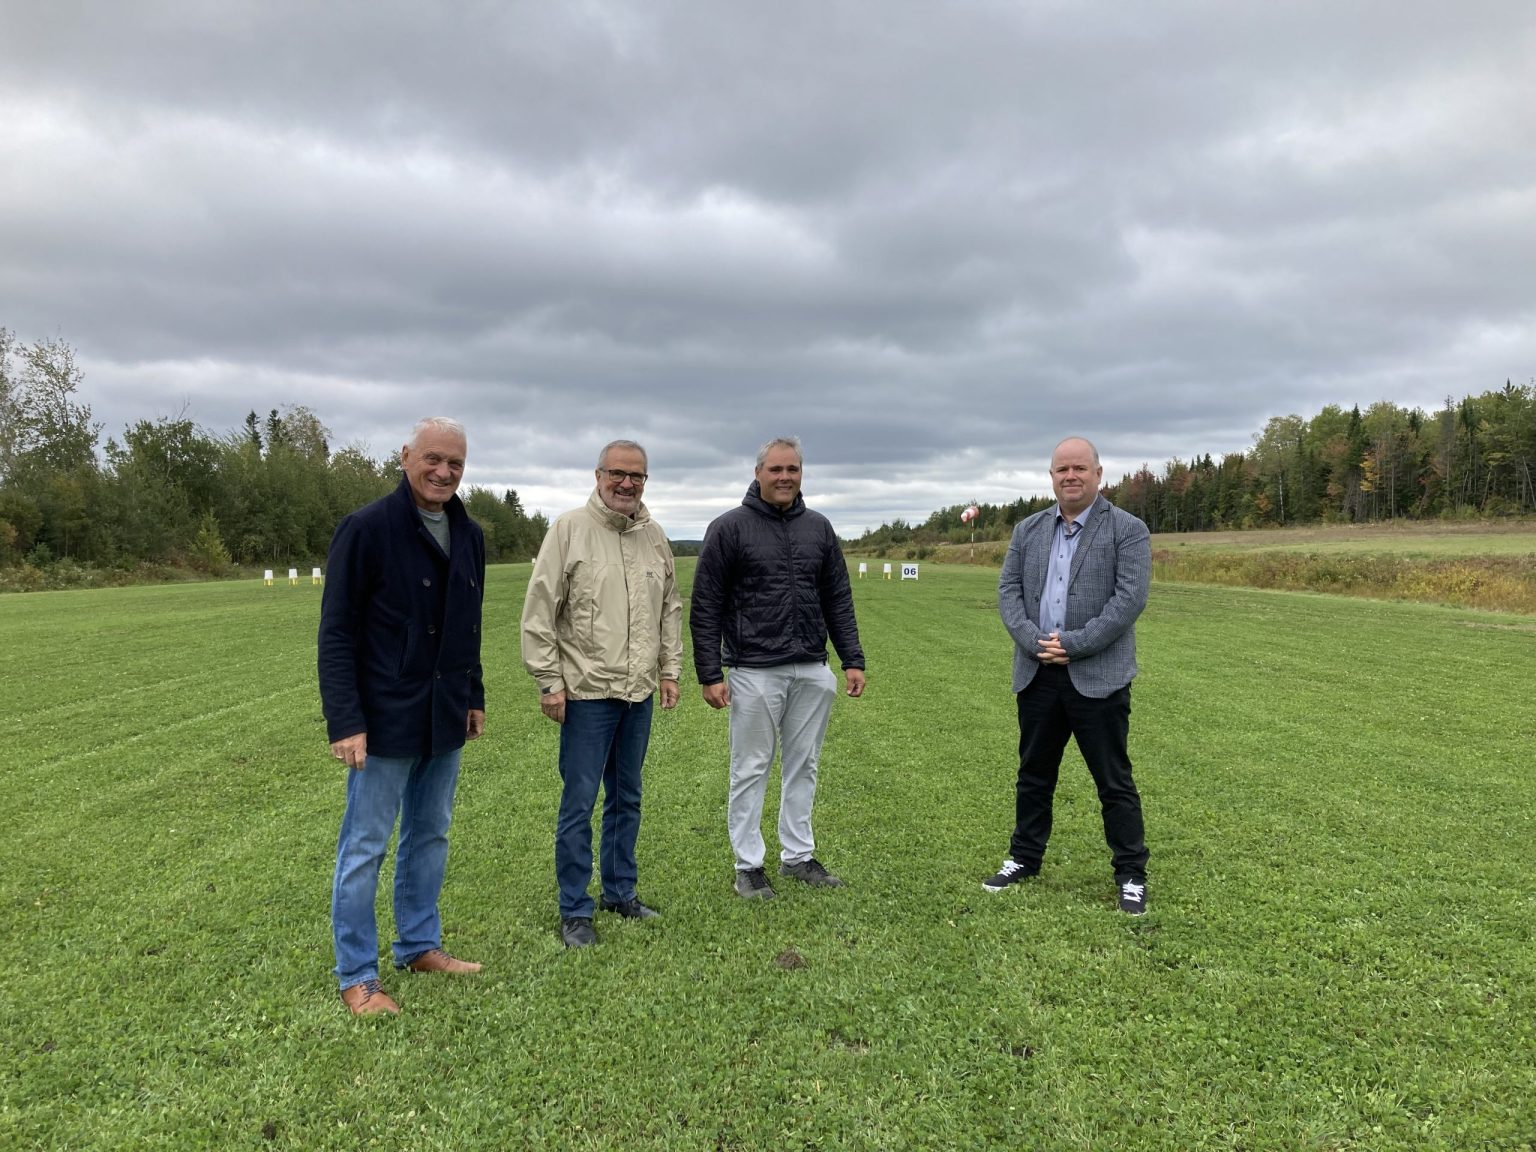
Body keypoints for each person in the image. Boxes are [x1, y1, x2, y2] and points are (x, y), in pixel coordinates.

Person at [318, 416, 486, 1016]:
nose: (443, 472)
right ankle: (357, 975)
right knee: (365, 846)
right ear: (405, 457)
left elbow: (468, 623)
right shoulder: (365, 529)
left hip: (443, 713)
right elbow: (336, 632)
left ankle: (418, 944)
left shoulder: (469, 533)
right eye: (433, 459)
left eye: (456, 464)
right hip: (383, 717)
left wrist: (474, 695)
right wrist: (345, 720)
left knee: (431, 834)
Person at [521, 440, 682, 948]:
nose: (627, 483)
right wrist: (549, 681)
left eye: (637, 476)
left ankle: (620, 892)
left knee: (627, 798)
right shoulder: (569, 530)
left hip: (638, 694)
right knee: (579, 802)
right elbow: (540, 611)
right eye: (618, 473)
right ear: (598, 475)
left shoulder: (655, 538)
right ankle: (575, 909)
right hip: (587, 693)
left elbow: (670, 610)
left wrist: (670, 670)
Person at [690, 436, 866, 901]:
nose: (785, 477)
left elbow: (837, 600)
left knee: (804, 766)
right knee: (750, 768)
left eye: (793, 469)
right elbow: (706, 605)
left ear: (801, 473)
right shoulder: (729, 528)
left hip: (810, 666)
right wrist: (709, 672)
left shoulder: (819, 529)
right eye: (776, 469)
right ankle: (748, 866)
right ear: (758, 473)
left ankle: (798, 857)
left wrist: (852, 659)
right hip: (754, 669)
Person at [986, 436, 1152, 914]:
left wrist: (1073, 645)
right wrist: (1035, 642)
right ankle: (1024, 857)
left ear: (1099, 474)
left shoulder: (1128, 530)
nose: (1071, 476)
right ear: (1052, 477)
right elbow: (1009, 591)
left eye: (1080, 468)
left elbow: (1129, 600)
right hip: (1037, 674)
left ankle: (1131, 873)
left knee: (1113, 779)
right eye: (1062, 470)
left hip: (1098, 676)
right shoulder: (1028, 530)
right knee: (1034, 775)